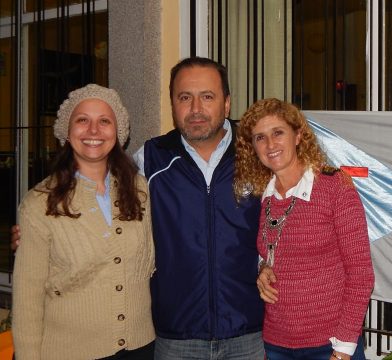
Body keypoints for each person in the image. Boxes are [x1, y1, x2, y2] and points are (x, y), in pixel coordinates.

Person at [11, 58, 264, 360]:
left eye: (207, 96)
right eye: (184, 97)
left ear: (226, 103)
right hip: (174, 339)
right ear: (172, 104)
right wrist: (31, 239)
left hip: (247, 332)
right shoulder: (149, 162)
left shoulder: (259, 155)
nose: (196, 108)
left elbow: (295, 208)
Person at [12, 84, 155, 359]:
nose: (93, 130)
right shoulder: (39, 204)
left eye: (104, 121)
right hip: (70, 351)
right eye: (82, 120)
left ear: (118, 132)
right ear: (66, 131)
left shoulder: (140, 190)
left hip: (141, 347)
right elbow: (27, 299)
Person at [233, 98, 375, 360]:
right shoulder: (262, 197)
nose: (270, 144)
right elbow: (273, 253)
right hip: (276, 344)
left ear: (298, 136)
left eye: (278, 133)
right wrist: (262, 270)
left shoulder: (335, 187)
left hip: (331, 344)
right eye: (260, 138)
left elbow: (361, 274)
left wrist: (343, 350)